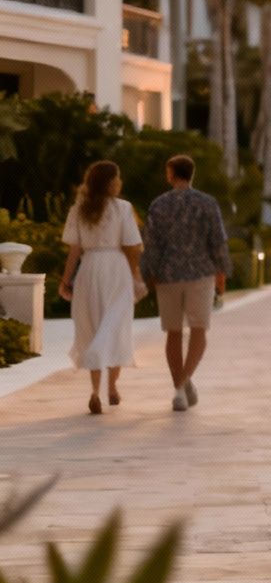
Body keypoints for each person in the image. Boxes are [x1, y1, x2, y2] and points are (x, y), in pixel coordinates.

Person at [140, 154, 231, 414]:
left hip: (168, 275)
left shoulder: (159, 205)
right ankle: (182, 385)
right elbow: (218, 241)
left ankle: (180, 386)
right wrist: (222, 271)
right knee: (199, 330)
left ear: (171, 173)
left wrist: (149, 273)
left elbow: (152, 243)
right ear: (192, 174)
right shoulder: (207, 203)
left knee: (173, 333)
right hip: (201, 274)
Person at [57, 161, 143, 415]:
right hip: (116, 269)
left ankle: (95, 391)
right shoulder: (123, 208)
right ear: (110, 182)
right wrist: (136, 276)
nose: (120, 183)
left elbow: (74, 249)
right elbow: (132, 246)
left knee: (93, 326)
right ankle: (112, 388)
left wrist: (65, 280)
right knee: (115, 326)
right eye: (117, 178)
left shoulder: (78, 209)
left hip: (89, 268)